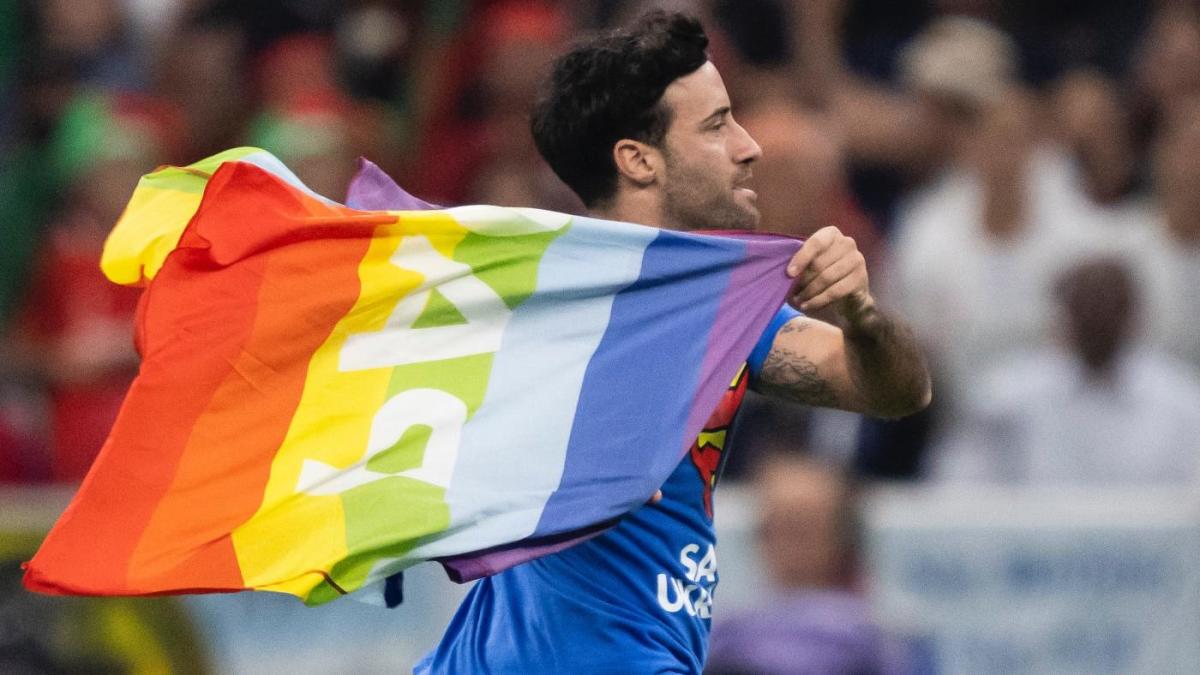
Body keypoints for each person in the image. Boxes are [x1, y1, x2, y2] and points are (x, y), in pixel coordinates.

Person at [416, 12, 930, 673]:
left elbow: (898, 391)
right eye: (717, 126)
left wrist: (861, 315)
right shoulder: (534, 298)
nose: (749, 147)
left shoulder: (722, 310)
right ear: (637, 159)